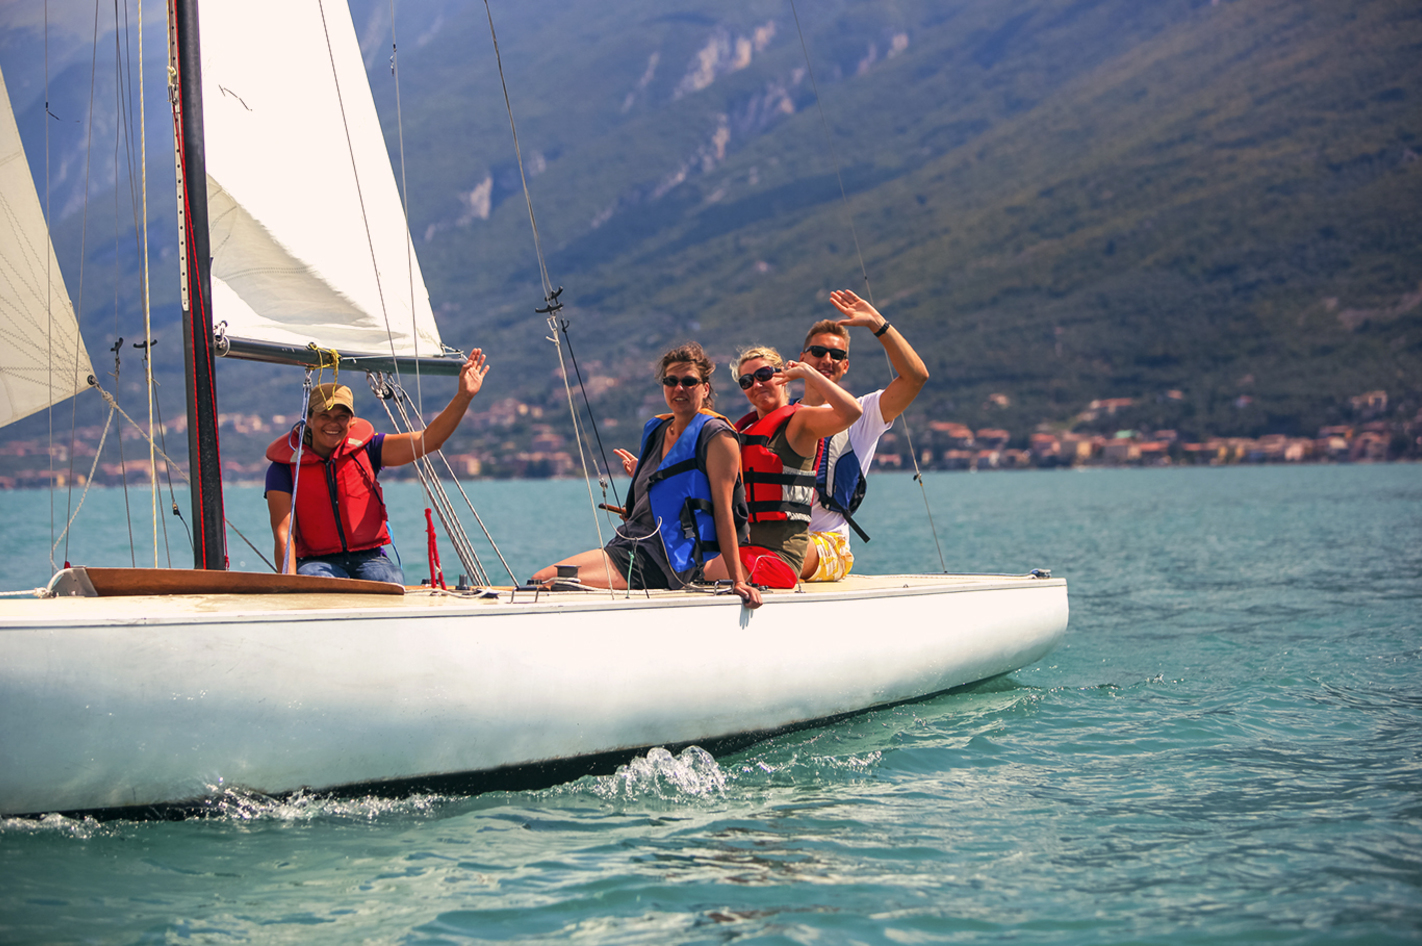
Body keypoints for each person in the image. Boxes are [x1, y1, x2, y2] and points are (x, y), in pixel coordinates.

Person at [531, 343, 763, 609]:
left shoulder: (717, 436)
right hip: (631, 544)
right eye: (671, 381)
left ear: (705, 388)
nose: (679, 389)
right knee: (540, 580)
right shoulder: (656, 430)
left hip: (669, 559)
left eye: (689, 381)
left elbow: (724, 512)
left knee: (550, 584)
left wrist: (738, 580)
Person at [264, 349, 490, 583]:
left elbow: (429, 440)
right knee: (320, 583)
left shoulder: (369, 448)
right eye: (324, 415)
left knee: (388, 581)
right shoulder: (284, 468)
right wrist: (289, 587)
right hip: (315, 561)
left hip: (370, 558)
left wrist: (464, 396)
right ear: (309, 420)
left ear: (351, 420)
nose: (333, 423)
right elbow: (284, 535)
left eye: (342, 416)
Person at [797, 289, 928, 581]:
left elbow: (915, 378)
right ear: (802, 358)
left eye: (837, 355)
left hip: (828, 545)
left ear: (846, 365)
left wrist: (876, 324)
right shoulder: (782, 416)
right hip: (780, 538)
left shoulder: (863, 414)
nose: (827, 359)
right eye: (818, 352)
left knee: (786, 549)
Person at [731, 344, 862, 586]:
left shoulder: (800, 421)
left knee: (697, 569)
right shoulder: (741, 433)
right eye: (747, 381)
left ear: (782, 375)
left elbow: (852, 412)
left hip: (782, 553)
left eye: (764, 375)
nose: (756, 384)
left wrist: (808, 373)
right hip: (748, 548)